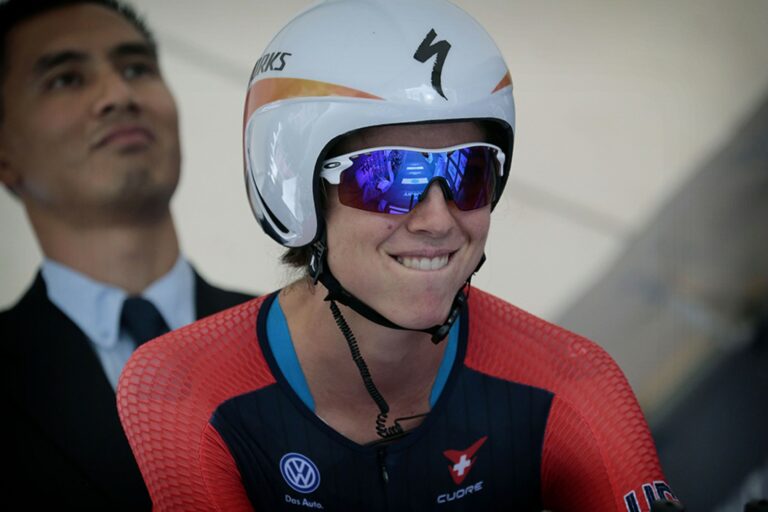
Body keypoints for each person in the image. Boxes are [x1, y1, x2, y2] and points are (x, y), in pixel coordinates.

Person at [118, 0, 682, 510]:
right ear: (298, 191)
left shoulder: (574, 381)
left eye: (469, 172)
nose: (438, 220)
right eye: (390, 176)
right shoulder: (179, 387)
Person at [0, 0, 253, 508]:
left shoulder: (298, 339)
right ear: (5, 153)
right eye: (65, 79)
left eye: (136, 69)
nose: (119, 95)